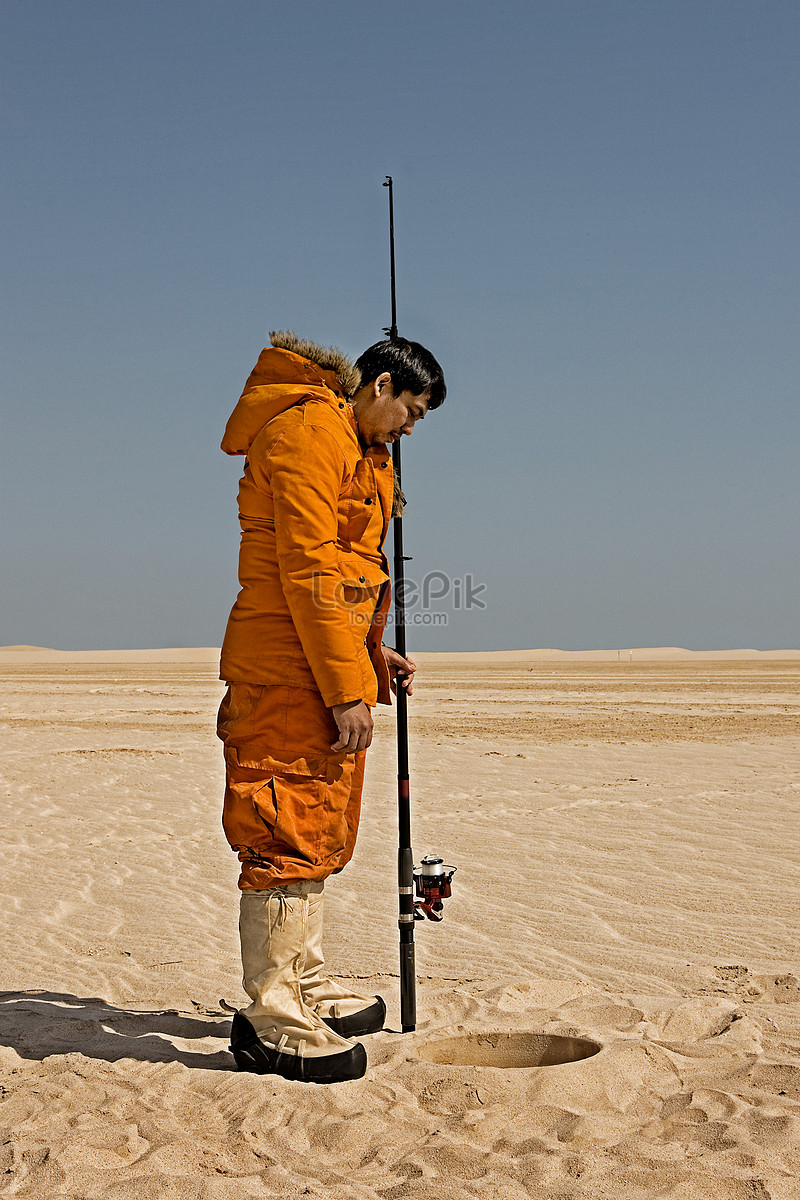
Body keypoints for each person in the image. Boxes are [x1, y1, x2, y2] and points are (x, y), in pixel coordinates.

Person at [217, 330, 446, 1083]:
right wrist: (345, 688)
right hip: (287, 672)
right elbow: (308, 563)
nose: (409, 430)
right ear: (379, 385)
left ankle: (304, 984)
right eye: (409, 411)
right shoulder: (308, 431)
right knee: (283, 829)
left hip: (319, 663)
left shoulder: (356, 445)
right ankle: (272, 1017)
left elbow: (354, 570)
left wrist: (367, 656)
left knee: (313, 828)